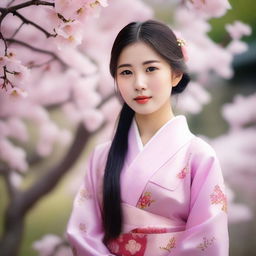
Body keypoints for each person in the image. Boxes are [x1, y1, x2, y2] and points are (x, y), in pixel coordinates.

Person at [66, 20, 229, 256]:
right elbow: (83, 234)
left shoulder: (200, 156)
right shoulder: (102, 157)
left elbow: (208, 240)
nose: (139, 84)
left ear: (175, 74)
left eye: (151, 69)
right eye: (126, 72)